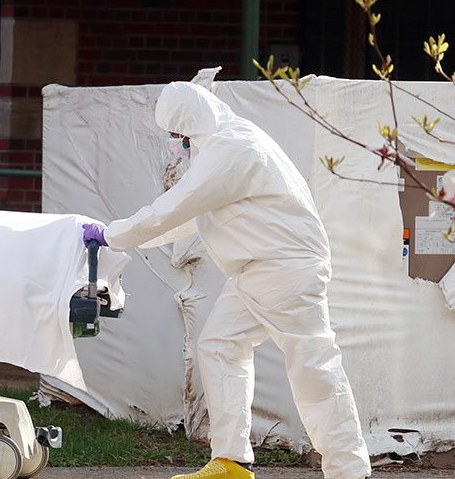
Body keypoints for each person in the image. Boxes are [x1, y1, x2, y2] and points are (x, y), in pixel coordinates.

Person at [82, 81, 371, 479]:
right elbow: (189, 216)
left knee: (312, 362)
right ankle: (231, 461)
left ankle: (349, 470)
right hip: (261, 269)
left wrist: (113, 235)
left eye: (176, 135)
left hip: (281, 268)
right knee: (220, 346)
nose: (175, 144)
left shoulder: (231, 149)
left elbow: (175, 207)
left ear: (188, 126)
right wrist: (121, 237)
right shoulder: (225, 144)